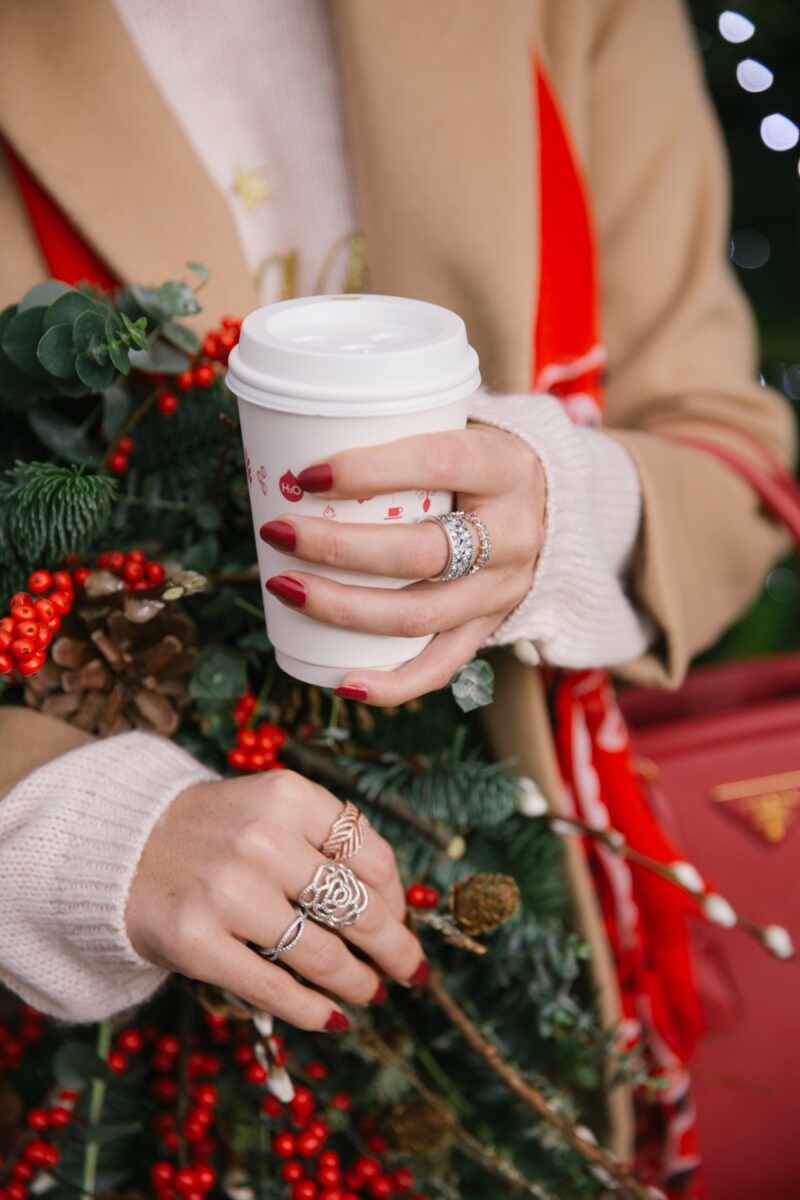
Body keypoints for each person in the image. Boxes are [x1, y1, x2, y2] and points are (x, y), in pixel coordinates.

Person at [0, 0, 794, 1165]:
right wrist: (60, 825)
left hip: (545, 962)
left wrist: (560, 511)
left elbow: (728, 451)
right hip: (102, 1089)